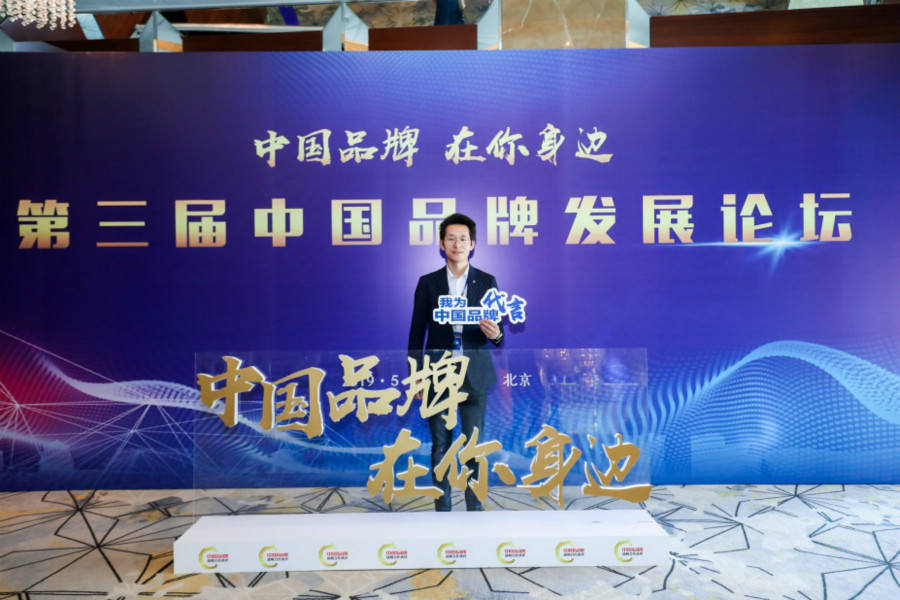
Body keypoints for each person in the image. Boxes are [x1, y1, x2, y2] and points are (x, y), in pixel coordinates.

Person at [408, 213, 503, 511]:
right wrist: (417, 376)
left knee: (473, 445)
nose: (457, 244)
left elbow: (498, 333)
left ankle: (474, 508)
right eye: (451, 238)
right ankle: (443, 508)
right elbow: (416, 334)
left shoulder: (486, 281)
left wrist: (496, 333)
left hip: (474, 375)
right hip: (438, 375)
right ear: (441, 243)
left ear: (472, 244)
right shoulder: (428, 283)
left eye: (463, 239)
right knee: (441, 445)